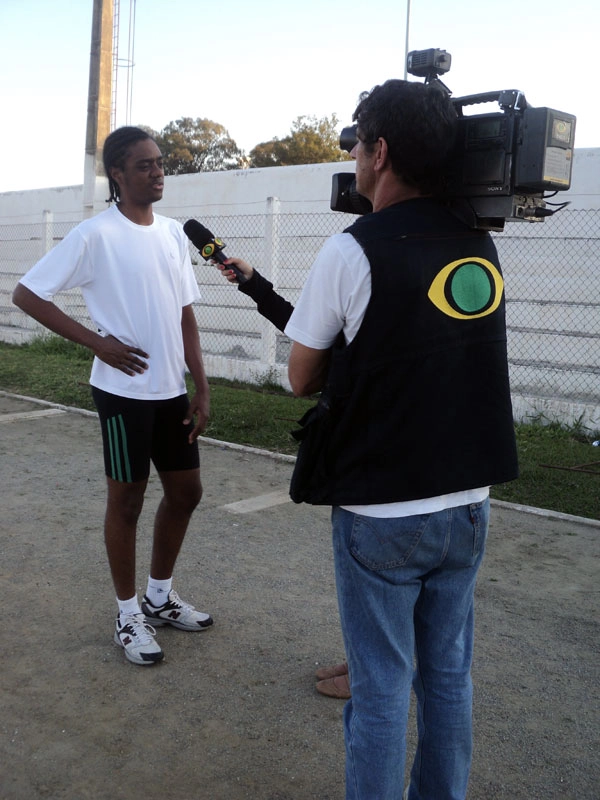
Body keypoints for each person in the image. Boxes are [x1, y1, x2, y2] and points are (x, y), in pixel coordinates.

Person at [221, 80, 518, 799]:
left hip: (383, 513)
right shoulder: (479, 244)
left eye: (356, 140)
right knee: (448, 678)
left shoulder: (353, 249)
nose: (352, 153)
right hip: (468, 504)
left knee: (381, 689)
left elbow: (300, 378)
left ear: (381, 151)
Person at [12, 126, 213, 667]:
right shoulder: (94, 235)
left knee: (187, 492)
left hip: (171, 391)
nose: (157, 172)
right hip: (123, 396)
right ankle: (127, 615)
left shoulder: (172, 234)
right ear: (117, 176)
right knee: (126, 502)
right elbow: (27, 293)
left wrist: (200, 383)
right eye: (144, 165)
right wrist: (98, 343)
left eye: (160, 163)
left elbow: (185, 314)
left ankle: (158, 594)